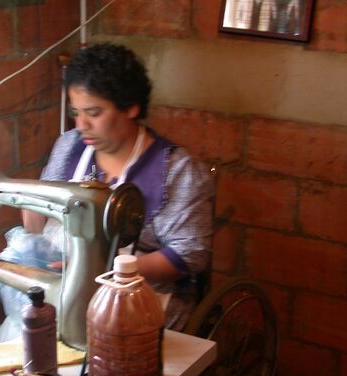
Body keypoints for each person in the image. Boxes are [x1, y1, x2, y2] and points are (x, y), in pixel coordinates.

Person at [23, 43, 215, 331]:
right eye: (76, 112)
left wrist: (102, 270)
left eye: (94, 112)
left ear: (131, 107)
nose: (82, 124)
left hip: (143, 295)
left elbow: (189, 255)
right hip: (67, 283)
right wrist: (30, 208)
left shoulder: (177, 170)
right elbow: (36, 222)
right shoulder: (69, 147)